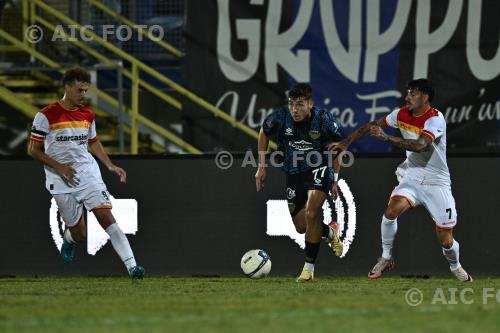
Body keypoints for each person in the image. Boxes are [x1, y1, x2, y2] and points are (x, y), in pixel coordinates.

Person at [329, 78, 472, 282]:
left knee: (446, 240)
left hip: (437, 182)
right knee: (391, 211)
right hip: (412, 176)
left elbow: (420, 145)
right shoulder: (400, 114)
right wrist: (346, 141)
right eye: (407, 93)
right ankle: (386, 257)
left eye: (413, 94)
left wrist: (387, 138)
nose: (408, 97)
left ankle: (455, 266)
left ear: (425, 97)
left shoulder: (435, 119)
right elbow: (372, 126)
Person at [29, 67, 145, 279]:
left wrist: (109, 164)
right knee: (79, 234)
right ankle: (69, 239)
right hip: (58, 177)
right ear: (67, 87)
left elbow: (93, 141)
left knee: (106, 217)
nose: (84, 95)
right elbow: (33, 150)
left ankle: (133, 267)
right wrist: (60, 167)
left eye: (85, 91)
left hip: (86, 172)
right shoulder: (45, 115)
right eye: (80, 90)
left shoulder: (87, 114)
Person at [255, 83, 344, 282]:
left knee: (312, 213)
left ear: (310, 104)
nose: (294, 109)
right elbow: (263, 132)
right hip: (294, 172)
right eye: (291, 104)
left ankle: (308, 270)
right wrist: (261, 166)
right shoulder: (281, 117)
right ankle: (330, 231)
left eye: (300, 104)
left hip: (319, 168)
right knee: (301, 226)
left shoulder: (324, 120)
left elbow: (339, 148)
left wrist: (335, 179)